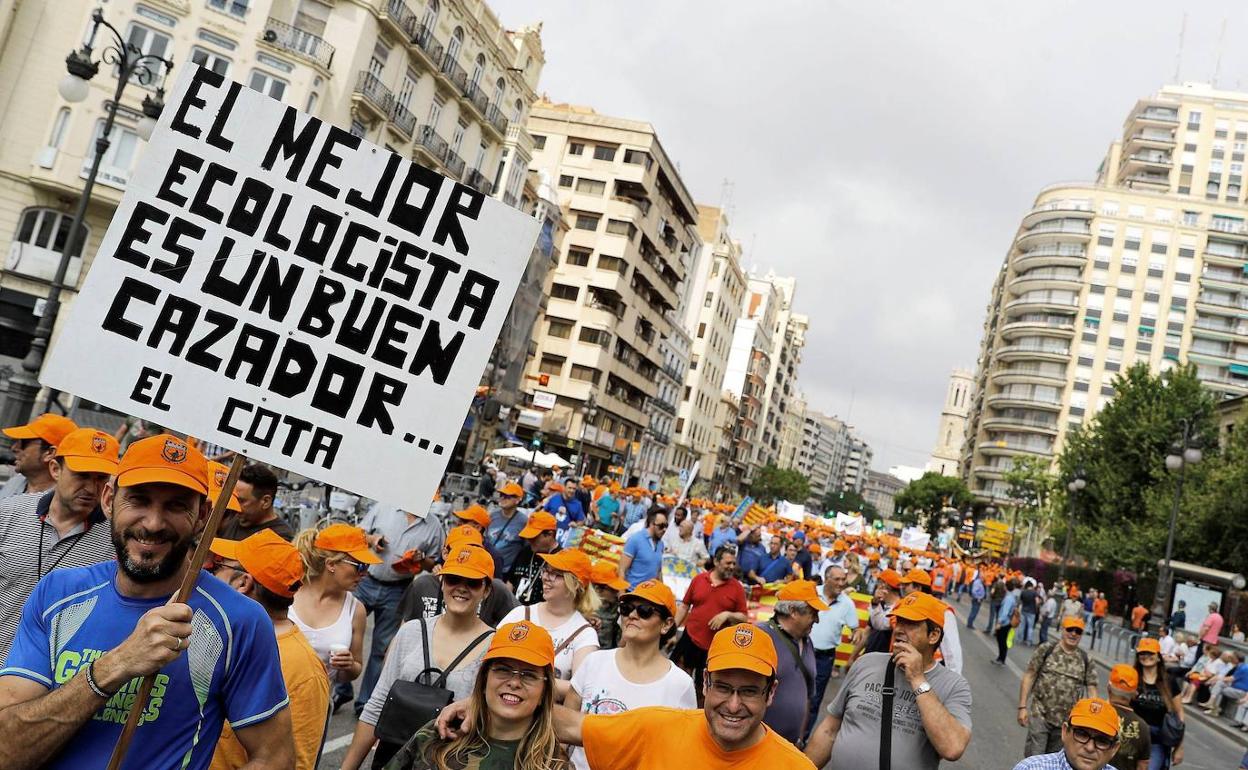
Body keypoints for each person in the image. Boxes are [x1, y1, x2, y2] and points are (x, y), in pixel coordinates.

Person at [0, 433, 293, 769]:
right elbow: (6, 751)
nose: (153, 524)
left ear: (203, 516)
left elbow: (275, 758)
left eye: (176, 505)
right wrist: (117, 665)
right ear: (109, 500)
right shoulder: (58, 593)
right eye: (138, 500)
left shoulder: (239, 620)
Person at [439, 621, 816, 767]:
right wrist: (483, 702)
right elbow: (570, 724)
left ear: (771, 693)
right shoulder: (658, 727)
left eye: (749, 691)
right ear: (705, 684)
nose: (733, 704)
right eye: (723, 687)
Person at [342, 544, 497, 770]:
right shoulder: (411, 631)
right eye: (453, 579)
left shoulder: (495, 647)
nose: (461, 588)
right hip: (393, 759)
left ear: (487, 590)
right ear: (442, 582)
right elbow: (378, 704)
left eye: (472, 582)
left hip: (451, 762)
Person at [805, 591, 973, 769]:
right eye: (899, 621)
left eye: (911, 623)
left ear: (933, 635)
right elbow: (829, 730)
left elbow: (952, 748)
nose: (899, 629)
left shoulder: (954, 685)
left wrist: (917, 680)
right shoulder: (866, 663)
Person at [208, 530, 330, 770]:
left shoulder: (304, 669)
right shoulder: (223, 631)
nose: (211, 574)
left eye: (218, 566)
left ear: (243, 583)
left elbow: (295, 763)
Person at [382, 619, 569, 770]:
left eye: (528, 675)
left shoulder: (552, 765)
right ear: (484, 678)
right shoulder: (438, 734)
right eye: (503, 670)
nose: (514, 682)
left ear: (544, 691)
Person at [0, 428, 119, 658]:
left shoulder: (115, 539)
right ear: (55, 469)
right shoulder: (9, 513)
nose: (91, 488)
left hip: (45, 675)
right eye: (82, 475)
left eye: (101, 478)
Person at [566, 579, 695, 769]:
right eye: (626, 609)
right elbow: (566, 725)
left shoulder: (680, 684)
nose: (632, 615)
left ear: (666, 624)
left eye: (644, 611)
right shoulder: (594, 662)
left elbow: (680, 750)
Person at [341, 499, 448, 715]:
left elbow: (434, 563)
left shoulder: (434, 526)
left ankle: (365, 703)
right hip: (366, 581)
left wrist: (420, 558)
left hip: (398, 589)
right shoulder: (385, 507)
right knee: (344, 634)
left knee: (381, 649)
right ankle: (342, 689)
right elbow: (358, 534)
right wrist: (374, 539)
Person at [290, 523, 377, 711]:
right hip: (271, 702)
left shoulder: (356, 610)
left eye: (367, 566)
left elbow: (353, 671)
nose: (365, 573)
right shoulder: (289, 592)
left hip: (317, 710)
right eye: (360, 566)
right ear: (331, 564)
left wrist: (348, 665)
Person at [498, 548, 599, 689]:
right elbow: (488, 660)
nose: (545, 577)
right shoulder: (520, 614)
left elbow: (579, 688)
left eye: (556, 574)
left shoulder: (584, 634)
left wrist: (530, 681)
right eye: (546, 570)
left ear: (575, 584)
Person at [398, 525, 518, 627]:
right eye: (460, 550)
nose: (468, 555)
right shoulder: (422, 585)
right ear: (445, 553)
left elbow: (521, 621)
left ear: (486, 591)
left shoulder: (495, 588)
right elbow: (405, 629)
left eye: (474, 550)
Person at [672, 544, 748, 704]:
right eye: (728, 563)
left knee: (704, 690)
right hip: (690, 639)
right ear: (716, 562)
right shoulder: (699, 579)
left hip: (714, 649)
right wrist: (672, 630)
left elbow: (743, 617)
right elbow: (684, 606)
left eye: (734, 563)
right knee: (677, 680)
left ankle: (698, 716)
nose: (732, 567)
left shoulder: (737, 588)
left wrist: (727, 614)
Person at [1018, 615, 1099, 755]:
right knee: (1036, 758)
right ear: (1062, 630)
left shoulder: (1086, 659)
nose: (1073, 634)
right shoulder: (1046, 649)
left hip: (1066, 723)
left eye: (1078, 631)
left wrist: (1092, 720)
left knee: (1055, 761)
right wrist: (1022, 707)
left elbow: (1092, 690)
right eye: (1070, 629)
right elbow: (1030, 675)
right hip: (1040, 715)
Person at [758, 579, 825, 746]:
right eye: (813, 613)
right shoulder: (760, 637)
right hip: (758, 746)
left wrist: (799, 739)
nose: (817, 620)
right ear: (793, 611)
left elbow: (807, 696)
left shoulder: (808, 642)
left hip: (790, 746)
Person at [808, 565, 857, 732]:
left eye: (843, 579)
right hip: (802, 651)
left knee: (814, 700)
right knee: (790, 692)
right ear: (826, 578)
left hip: (824, 658)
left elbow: (855, 628)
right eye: (837, 579)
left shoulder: (847, 604)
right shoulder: (811, 593)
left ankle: (802, 739)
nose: (841, 583)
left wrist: (856, 634)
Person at [1012, 698, 1124, 770]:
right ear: (1065, 732)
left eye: (1102, 741)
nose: (1090, 748)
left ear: (1114, 748)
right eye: (1082, 734)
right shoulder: (1031, 768)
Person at [1132, 637, 1185, 769]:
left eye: (1150, 653)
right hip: (1131, 736)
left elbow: (1179, 714)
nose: (1146, 656)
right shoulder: (1132, 678)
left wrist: (1179, 746)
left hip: (1157, 741)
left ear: (1159, 657)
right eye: (1142, 653)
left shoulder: (1169, 681)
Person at [0, 412, 76, 500]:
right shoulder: (15, 482)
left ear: (49, 453)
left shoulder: (62, 502)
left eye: (23, 442)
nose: (14, 448)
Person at [220, 462, 294, 541]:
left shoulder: (280, 537)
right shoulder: (232, 518)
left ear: (265, 501)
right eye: (234, 499)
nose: (235, 506)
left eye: (241, 501)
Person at [505, 511, 559, 605]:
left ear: (549, 534)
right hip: (514, 609)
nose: (529, 540)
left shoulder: (560, 559)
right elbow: (510, 582)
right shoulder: (525, 551)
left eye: (534, 537)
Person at [1105, 664, 1152, 770]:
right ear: (1135, 694)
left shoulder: (1095, 714)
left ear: (1108, 688)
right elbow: (1143, 766)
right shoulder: (1143, 727)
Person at [484, 482, 529, 576]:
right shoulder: (492, 515)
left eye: (508, 496)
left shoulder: (524, 521)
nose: (503, 498)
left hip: (505, 572)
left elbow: (526, 548)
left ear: (518, 500)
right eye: (501, 495)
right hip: (485, 566)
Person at [619, 508, 667, 589]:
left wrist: (662, 590)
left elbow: (658, 571)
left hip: (649, 593)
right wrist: (621, 593)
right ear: (651, 524)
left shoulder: (661, 544)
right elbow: (622, 570)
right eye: (661, 526)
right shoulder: (635, 539)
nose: (664, 529)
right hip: (632, 591)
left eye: (666, 526)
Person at [588, 560, 629, 650]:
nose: (617, 593)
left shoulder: (616, 607)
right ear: (598, 589)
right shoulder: (583, 611)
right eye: (613, 590)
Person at [1203, 650, 1248, 716]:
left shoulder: (1243, 668)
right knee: (1217, 685)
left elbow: (1231, 679)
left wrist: (1216, 680)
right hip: (1234, 689)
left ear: (1236, 659)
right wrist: (1216, 680)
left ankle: (1213, 707)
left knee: (1216, 687)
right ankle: (1212, 705)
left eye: (1232, 658)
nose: (1230, 659)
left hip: (1240, 692)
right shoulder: (1241, 666)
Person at [544, 481, 585, 545]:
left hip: (563, 539)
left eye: (574, 489)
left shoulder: (578, 504)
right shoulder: (554, 498)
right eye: (569, 488)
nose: (571, 491)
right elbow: (544, 511)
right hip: (548, 534)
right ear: (564, 487)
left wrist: (576, 524)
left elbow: (581, 521)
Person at [994, 578, 1021, 665]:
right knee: (1002, 640)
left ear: (1006, 587)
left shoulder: (1008, 598)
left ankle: (1001, 659)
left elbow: (1005, 612)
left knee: (1001, 640)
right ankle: (1001, 658)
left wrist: (999, 622)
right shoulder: (1011, 597)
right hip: (1007, 622)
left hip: (1005, 622)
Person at [1019, 579, 1040, 646]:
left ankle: (1020, 639)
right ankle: (1029, 641)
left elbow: (1021, 601)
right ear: (1032, 586)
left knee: (1022, 625)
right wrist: (1036, 608)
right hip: (1031, 611)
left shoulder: (1023, 592)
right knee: (1030, 627)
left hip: (1024, 610)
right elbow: (1037, 602)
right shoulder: (1034, 593)